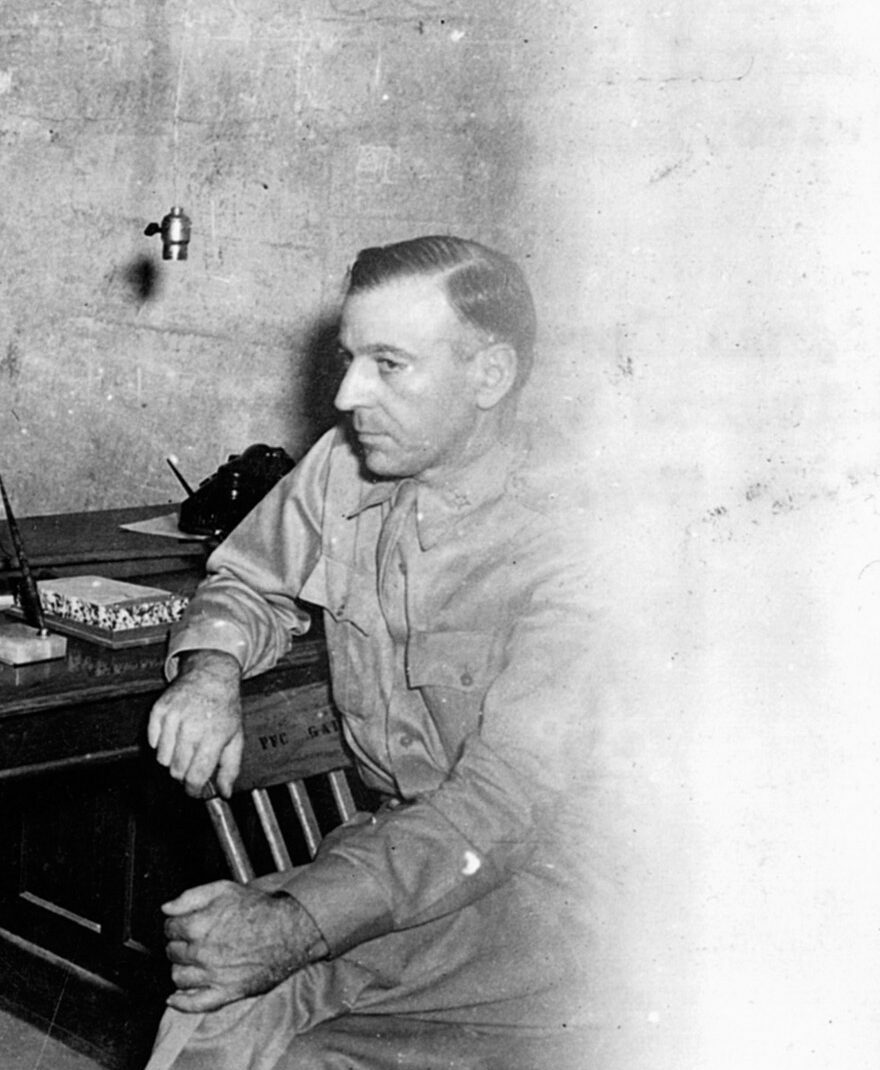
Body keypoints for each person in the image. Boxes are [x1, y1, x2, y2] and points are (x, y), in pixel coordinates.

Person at [144, 236, 614, 1069]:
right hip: (412, 855)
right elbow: (248, 578)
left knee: (285, 1036)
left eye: (388, 363)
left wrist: (298, 921)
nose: (348, 393)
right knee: (214, 999)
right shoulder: (348, 463)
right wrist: (210, 670)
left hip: (563, 905)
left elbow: (504, 804)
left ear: (490, 375)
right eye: (349, 358)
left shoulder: (582, 537)